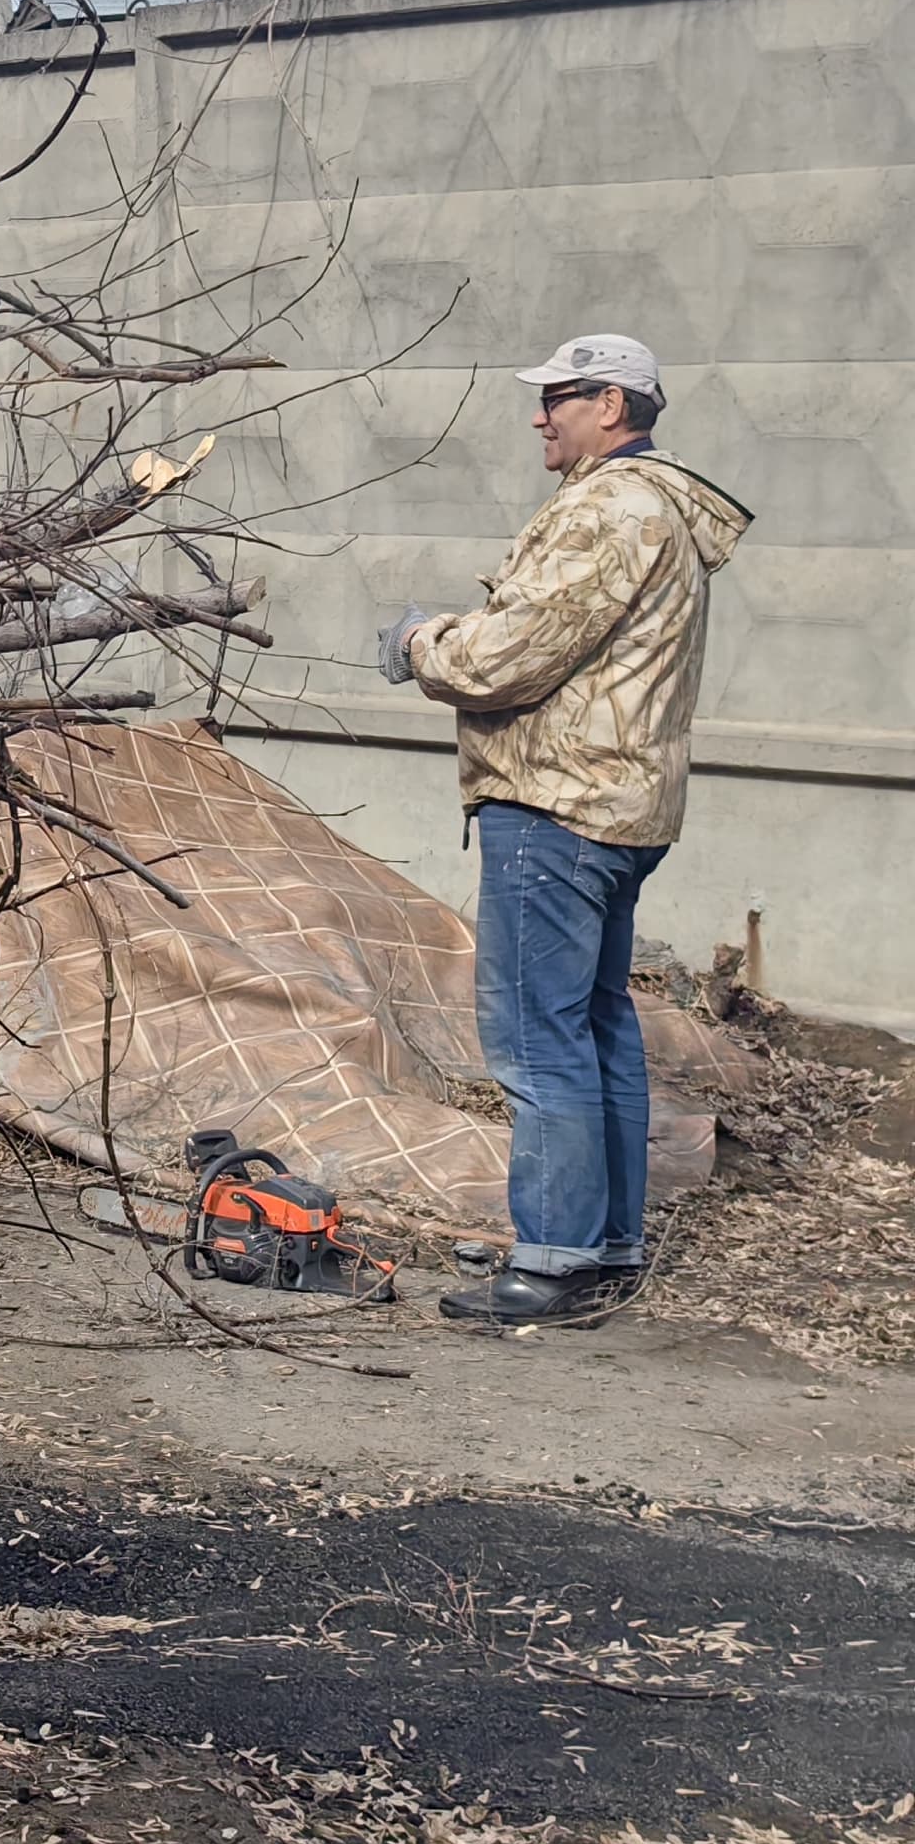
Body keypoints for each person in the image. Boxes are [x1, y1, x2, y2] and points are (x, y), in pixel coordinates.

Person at [378, 330, 750, 1330]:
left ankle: (551, 1267)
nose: (539, 414)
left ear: (613, 407)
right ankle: (606, 1248)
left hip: (558, 807)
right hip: (620, 807)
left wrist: (421, 641)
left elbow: (504, 658)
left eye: (559, 395)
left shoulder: (607, 508)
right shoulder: (658, 506)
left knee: (538, 1042)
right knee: (594, 1025)